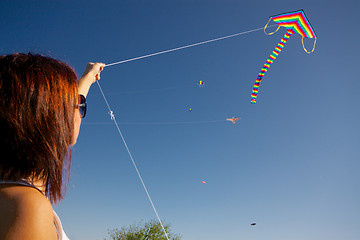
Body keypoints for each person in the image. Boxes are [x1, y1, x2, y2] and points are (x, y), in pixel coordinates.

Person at [0, 53, 105, 240]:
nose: (79, 110)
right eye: (76, 104)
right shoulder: (27, 208)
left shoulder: (13, 195)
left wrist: (88, 77)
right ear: (48, 115)